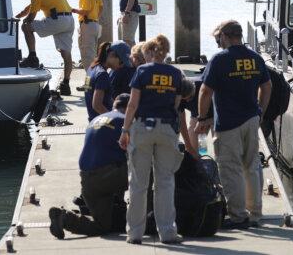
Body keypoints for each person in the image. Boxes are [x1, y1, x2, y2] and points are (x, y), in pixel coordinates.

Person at [196, 20, 272, 230]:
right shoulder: (255, 58)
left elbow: (205, 91)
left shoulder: (220, 59)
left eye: (218, 37)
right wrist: (261, 111)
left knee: (231, 169)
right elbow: (267, 86)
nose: (218, 41)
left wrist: (202, 118)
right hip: (251, 119)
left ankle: (238, 216)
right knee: (252, 166)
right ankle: (255, 213)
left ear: (226, 36)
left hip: (228, 123)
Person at [118, 34, 184, 245]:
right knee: (165, 181)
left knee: (138, 182)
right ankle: (167, 232)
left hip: (143, 128)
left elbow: (132, 104)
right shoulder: (176, 73)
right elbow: (176, 104)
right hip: (167, 128)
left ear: (149, 52)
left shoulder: (142, 71)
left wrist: (125, 130)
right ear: (165, 52)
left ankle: (135, 233)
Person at [49, 94, 131, 239]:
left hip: (88, 181)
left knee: (102, 226)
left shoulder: (96, 119)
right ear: (128, 108)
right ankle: (149, 217)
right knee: (148, 170)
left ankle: (64, 218)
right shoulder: (125, 121)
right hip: (107, 177)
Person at [16, 0, 75, 95]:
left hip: (57, 20)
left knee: (26, 27)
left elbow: (32, 15)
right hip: (69, 20)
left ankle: (32, 57)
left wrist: (24, 20)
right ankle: (66, 83)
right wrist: (19, 15)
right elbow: (31, 6)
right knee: (66, 54)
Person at [70, 0, 103, 72]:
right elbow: (101, 6)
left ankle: (90, 83)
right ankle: (93, 81)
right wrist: (96, 18)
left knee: (87, 57)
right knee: (92, 55)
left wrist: (72, 10)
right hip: (95, 24)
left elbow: (85, 10)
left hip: (87, 25)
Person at [178, 77, 212, 159]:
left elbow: (221, 113)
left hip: (215, 113)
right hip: (197, 114)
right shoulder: (178, 95)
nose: (187, 101)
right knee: (192, 148)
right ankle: (195, 165)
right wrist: (189, 146)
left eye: (190, 98)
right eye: (184, 100)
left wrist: (206, 122)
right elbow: (181, 121)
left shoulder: (206, 87)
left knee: (219, 143)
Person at [84, 42, 113, 121]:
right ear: (111, 56)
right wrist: (113, 120)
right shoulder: (102, 75)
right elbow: (97, 105)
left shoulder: (91, 68)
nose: (120, 63)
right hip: (102, 123)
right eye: (120, 60)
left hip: (92, 119)